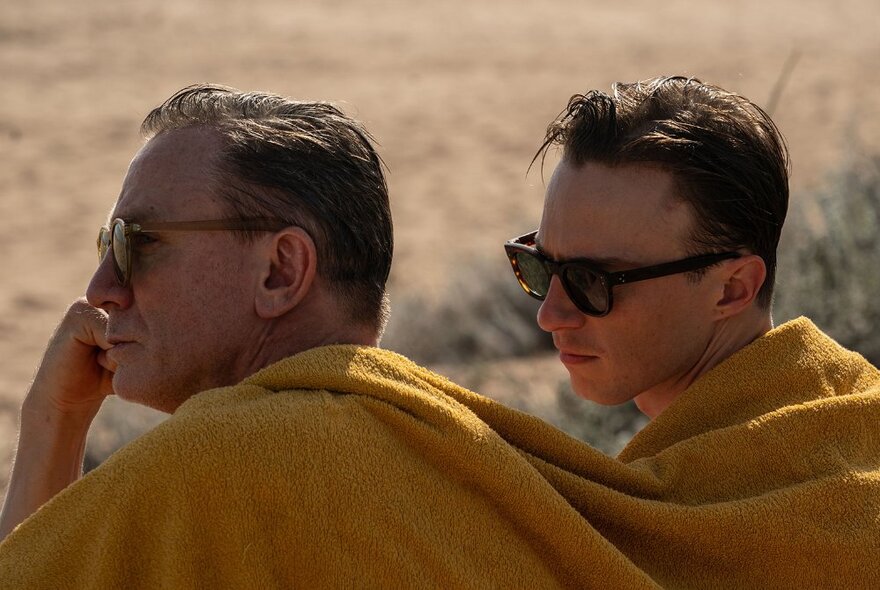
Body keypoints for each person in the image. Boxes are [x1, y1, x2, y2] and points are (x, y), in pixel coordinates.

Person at [0, 79, 876, 589]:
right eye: (537, 266)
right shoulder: (823, 442)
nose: (548, 313)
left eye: (594, 283)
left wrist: (49, 434)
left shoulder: (243, 461)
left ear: (734, 286)